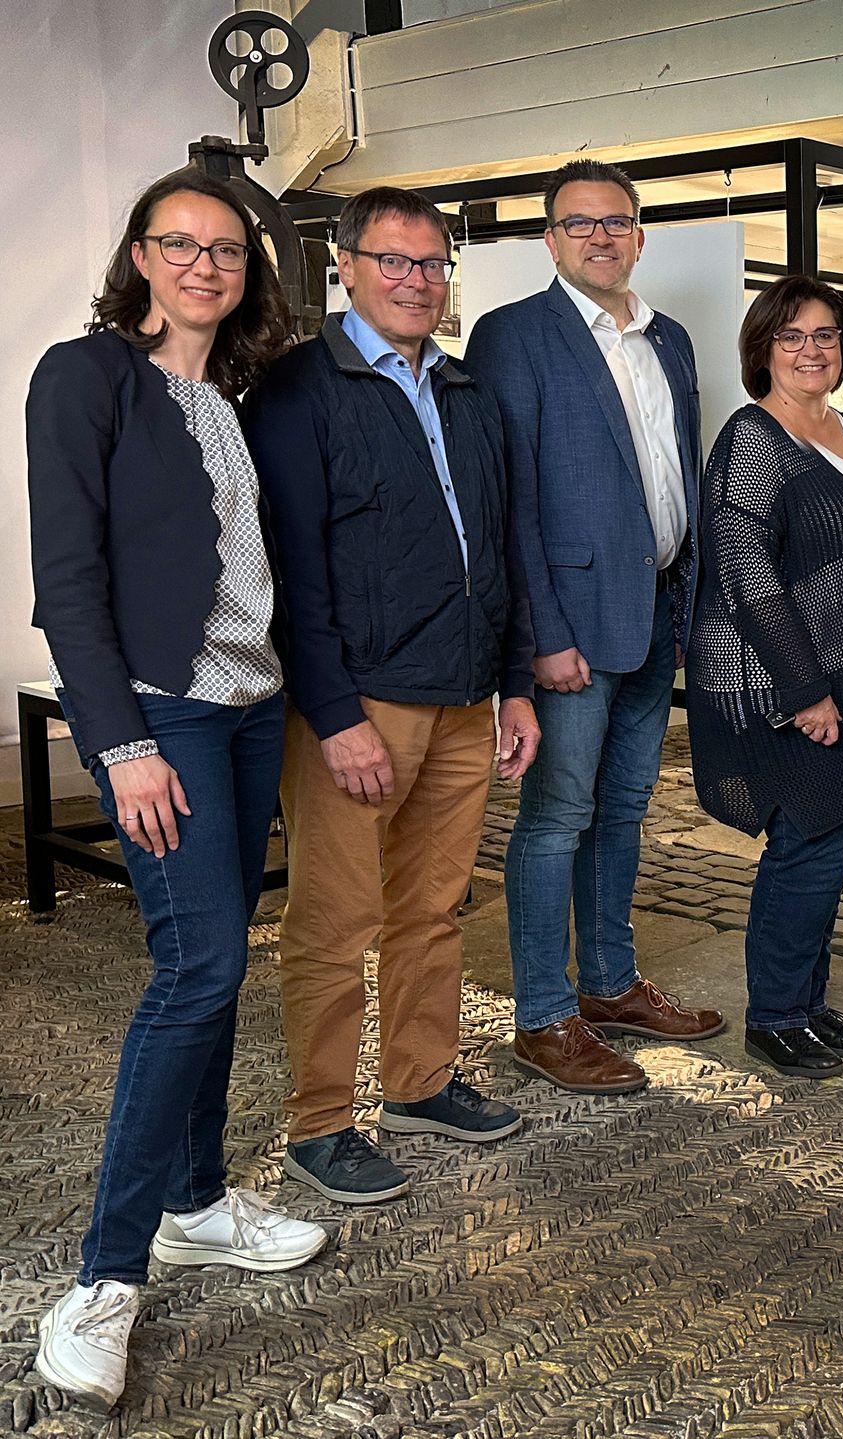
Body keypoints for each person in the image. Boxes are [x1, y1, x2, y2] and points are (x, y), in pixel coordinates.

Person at [26, 167, 326, 1411]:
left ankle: (197, 1204)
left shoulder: (238, 394)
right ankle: (104, 1278)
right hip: (165, 713)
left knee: (216, 958)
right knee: (197, 966)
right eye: (180, 243)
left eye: (227, 249)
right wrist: (120, 744)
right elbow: (67, 577)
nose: (206, 264)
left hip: (250, 711)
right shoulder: (86, 376)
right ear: (141, 257)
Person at [247, 187, 539, 1204]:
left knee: (432, 909)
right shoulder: (297, 391)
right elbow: (290, 568)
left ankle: (419, 1082)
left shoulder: (465, 391)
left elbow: (498, 547)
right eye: (394, 261)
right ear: (346, 267)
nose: (417, 281)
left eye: (432, 263)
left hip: (464, 698)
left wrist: (514, 685)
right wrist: (333, 715)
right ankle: (321, 1123)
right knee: (335, 922)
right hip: (362, 703)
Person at [467, 159, 723, 1094]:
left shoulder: (672, 339)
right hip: (570, 627)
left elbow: (679, 474)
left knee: (622, 811)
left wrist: (687, 607)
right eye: (579, 223)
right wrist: (541, 636)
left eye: (615, 222)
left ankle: (610, 985)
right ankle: (543, 1016)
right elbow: (512, 499)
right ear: (550, 239)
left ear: (639, 236)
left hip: (655, 613)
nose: (599, 237)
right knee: (556, 819)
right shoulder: (513, 336)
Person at [686, 274, 843, 1079]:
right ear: (764, 349)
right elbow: (745, 570)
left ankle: (808, 1003)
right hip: (794, 684)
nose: (811, 350)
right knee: (807, 844)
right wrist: (806, 688)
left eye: (826, 335)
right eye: (792, 336)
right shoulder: (754, 437)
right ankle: (776, 1017)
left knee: (831, 842)